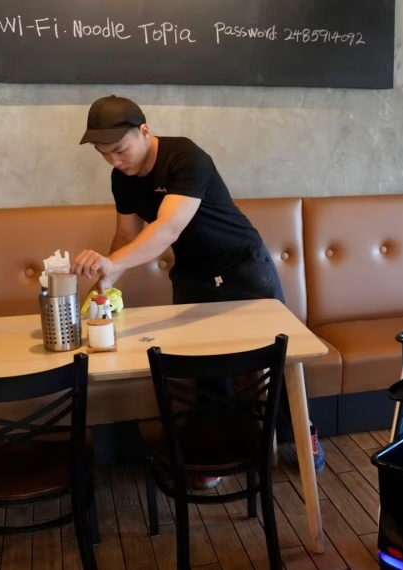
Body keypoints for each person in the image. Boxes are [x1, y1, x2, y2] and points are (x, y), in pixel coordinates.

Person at [71, 95, 324, 489]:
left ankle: (302, 430)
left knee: (277, 363)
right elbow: (126, 234)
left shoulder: (186, 156)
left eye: (120, 150)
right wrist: (105, 279)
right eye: (105, 155)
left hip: (243, 268)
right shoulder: (122, 178)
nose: (115, 161)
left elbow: (168, 228)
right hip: (192, 275)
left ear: (144, 131)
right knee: (202, 368)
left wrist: (115, 263)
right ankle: (214, 451)